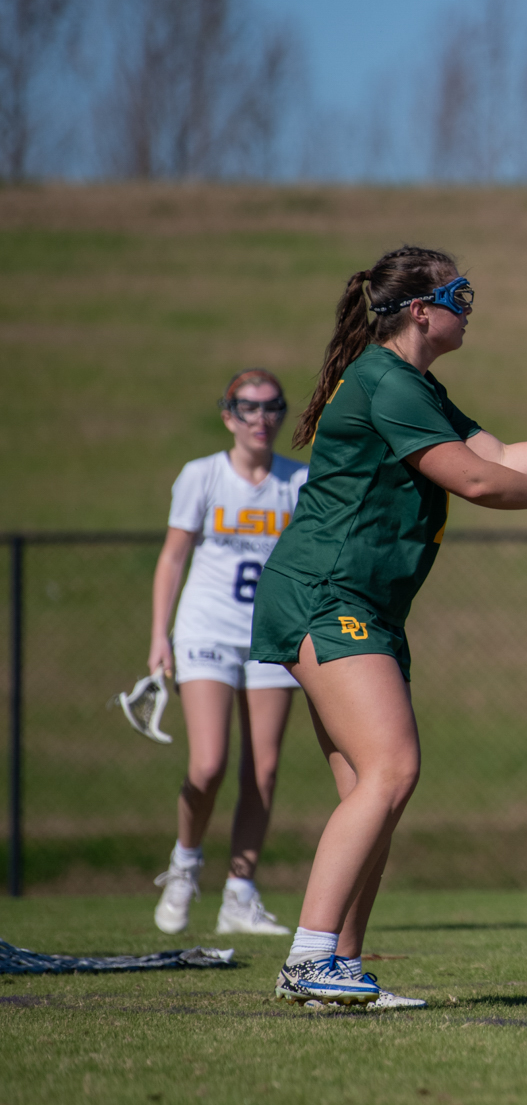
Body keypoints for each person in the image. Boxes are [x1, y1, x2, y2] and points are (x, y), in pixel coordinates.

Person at [249, 245, 527, 1009]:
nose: (472, 305)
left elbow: (495, 453)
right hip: (329, 596)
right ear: (421, 310)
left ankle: (339, 968)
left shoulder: (416, 387)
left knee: (371, 789)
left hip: (365, 603)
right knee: (393, 770)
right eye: (460, 294)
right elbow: (470, 479)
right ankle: (307, 960)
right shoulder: (384, 382)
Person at [146, 369, 309, 937]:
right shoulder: (203, 476)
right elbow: (172, 559)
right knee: (208, 763)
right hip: (207, 630)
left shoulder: (298, 481)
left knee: (261, 770)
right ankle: (186, 863)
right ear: (228, 416)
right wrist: (158, 636)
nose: (260, 418)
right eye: (247, 408)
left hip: (270, 636)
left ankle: (240, 893)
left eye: (271, 408)